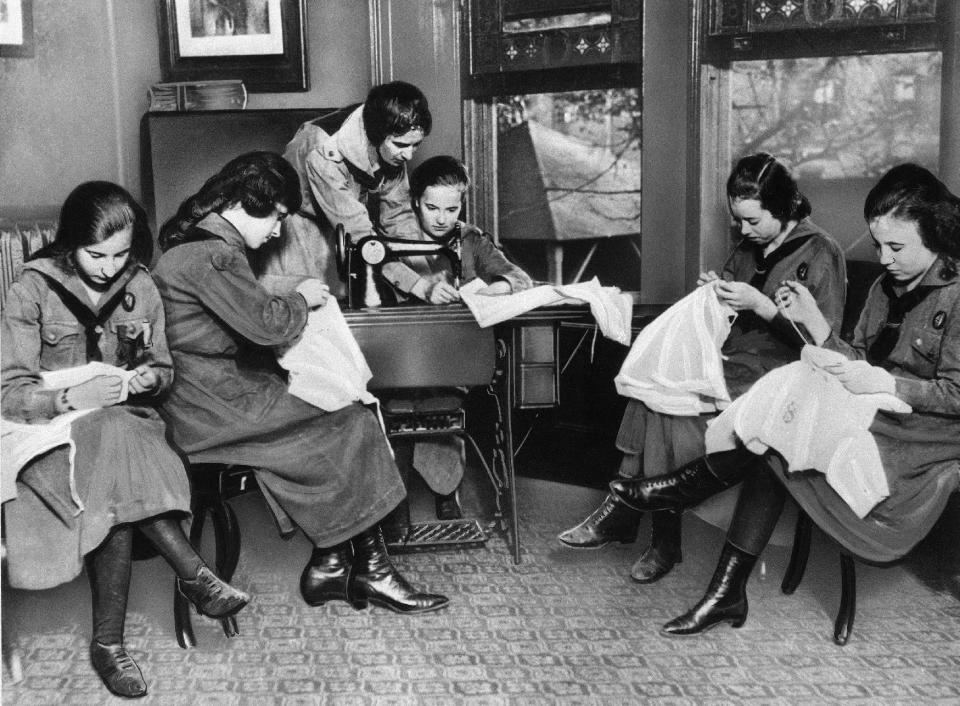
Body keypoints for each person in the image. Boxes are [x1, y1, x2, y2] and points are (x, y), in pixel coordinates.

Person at [610, 162, 960, 635]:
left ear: (936, 236)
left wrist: (886, 384)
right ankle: (725, 591)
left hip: (920, 436)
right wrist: (817, 325)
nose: (882, 259)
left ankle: (691, 498)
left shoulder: (956, 296)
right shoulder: (883, 287)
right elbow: (852, 358)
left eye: (896, 247)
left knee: (779, 427)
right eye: (878, 245)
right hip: (870, 410)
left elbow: (954, 395)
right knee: (777, 437)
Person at [152, 151, 449, 618]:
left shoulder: (195, 247)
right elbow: (269, 326)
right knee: (353, 415)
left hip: (205, 396)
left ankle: (333, 566)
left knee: (342, 412)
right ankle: (369, 571)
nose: (276, 231)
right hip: (212, 407)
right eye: (276, 218)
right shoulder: (215, 255)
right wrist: (302, 297)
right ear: (247, 204)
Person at [1, 182, 249, 699]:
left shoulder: (141, 286)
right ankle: (192, 575)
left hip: (127, 430)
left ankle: (109, 645)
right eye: (97, 255)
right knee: (111, 462)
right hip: (49, 439)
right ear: (70, 242)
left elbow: (162, 367)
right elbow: (9, 391)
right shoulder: (31, 289)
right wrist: (72, 399)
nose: (111, 267)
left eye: (121, 254)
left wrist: (147, 380)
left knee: (115, 451)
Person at [558, 153, 847, 585]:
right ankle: (649, 529)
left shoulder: (821, 252)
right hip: (732, 360)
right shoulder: (749, 247)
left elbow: (824, 348)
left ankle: (641, 524)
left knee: (664, 402)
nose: (744, 231)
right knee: (654, 386)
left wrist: (762, 307)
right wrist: (716, 291)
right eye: (737, 221)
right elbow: (730, 298)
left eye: (752, 220)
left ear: (783, 208)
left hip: (780, 377)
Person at [378, 155, 534, 522]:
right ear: (415, 201)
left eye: (452, 208)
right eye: (431, 207)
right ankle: (393, 503)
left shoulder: (471, 240)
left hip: (452, 358)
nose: (441, 218)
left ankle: (446, 492)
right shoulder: (394, 239)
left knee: (440, 406)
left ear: (462, 203)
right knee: (394, 410)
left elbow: (520, 278)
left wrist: (493, 290)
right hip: (401, 355)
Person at [256, 81, 431, 298]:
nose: (409, 155)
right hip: (295, 223)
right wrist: (417, 286)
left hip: (338, 219)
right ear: (377, 136)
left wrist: (427, 277)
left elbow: (399, 217)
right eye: (402, 146)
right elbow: (359, 234)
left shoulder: (393, 131)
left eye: (416, 145)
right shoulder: (323, 149)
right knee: (309, 303)